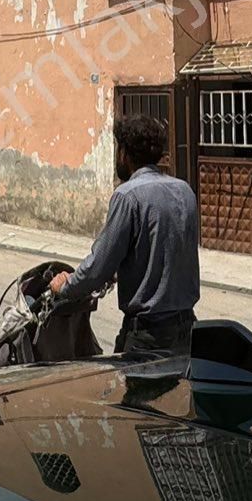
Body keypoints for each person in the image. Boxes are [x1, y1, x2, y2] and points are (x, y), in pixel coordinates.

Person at [49, 114, 200, 356]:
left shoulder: (128, 196)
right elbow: (168, 250)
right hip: (187, 331)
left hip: (147, 336)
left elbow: (99, 265)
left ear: (125, 154)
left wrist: (65, 286)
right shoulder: (184, 191)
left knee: (129, 393)